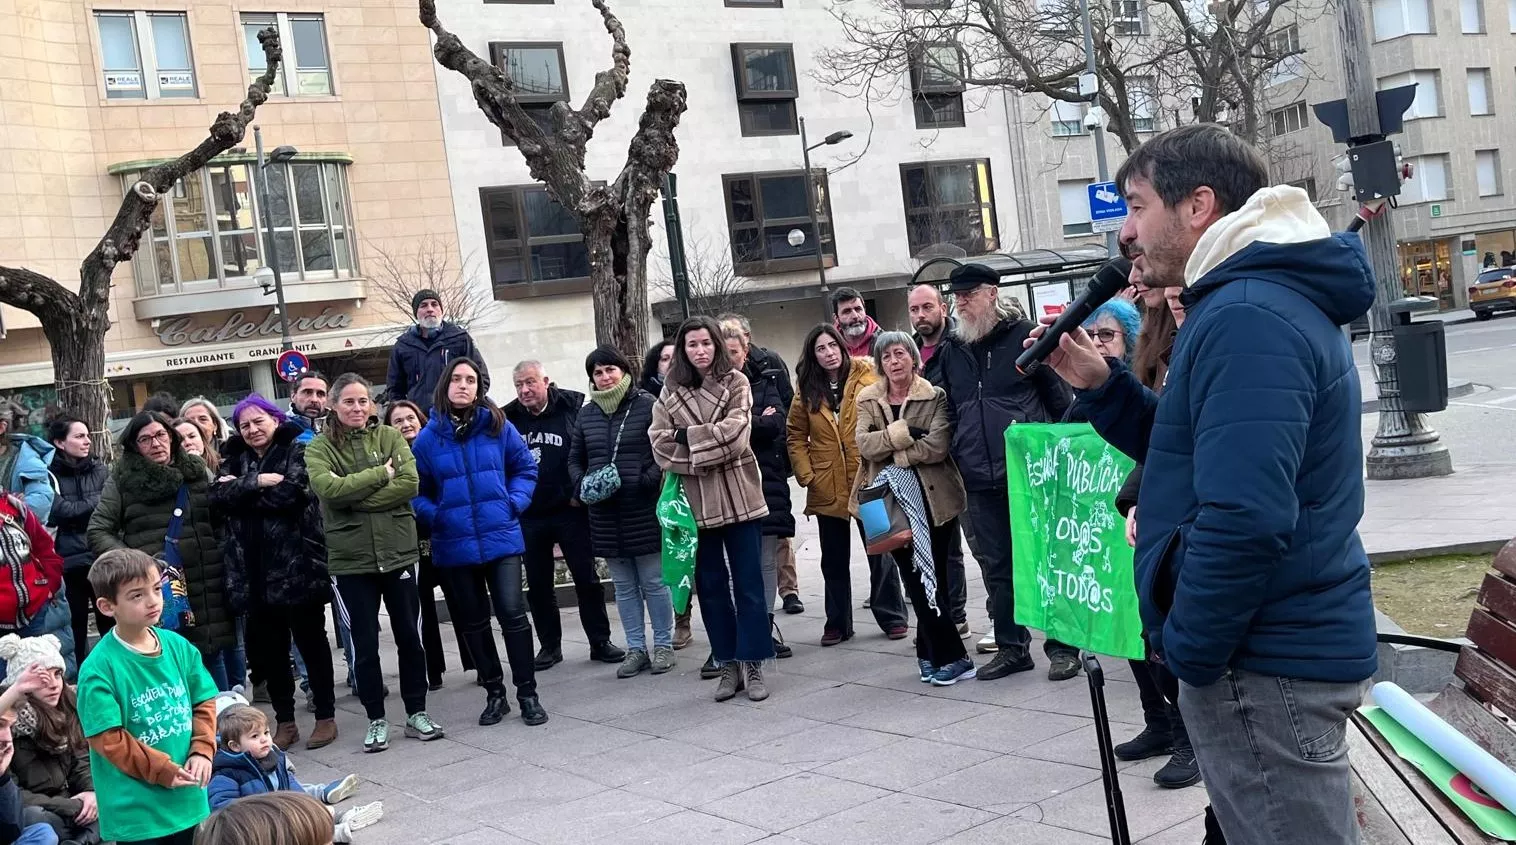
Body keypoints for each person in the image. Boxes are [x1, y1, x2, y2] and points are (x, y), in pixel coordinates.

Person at [1031, 124, 1377, 844]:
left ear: (1199, 205)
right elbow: (1202, 454)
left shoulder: (1247, 313)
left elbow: (1245, 516)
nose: (1126, 230)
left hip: (1262, 665)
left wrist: (1188, 650)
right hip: (1269, 656)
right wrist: (1110, 391)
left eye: (1135, 204)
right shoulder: (1248, 301)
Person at [936, 262, 1078, 682]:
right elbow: (947, 408)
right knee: (997, 566)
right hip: (978, 474)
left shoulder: (1028, 338)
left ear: (993, 293)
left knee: (1045, 560)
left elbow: (1060, 402)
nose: (961, 302)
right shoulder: (952, 349)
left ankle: (1063, 647)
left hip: (1029, 472)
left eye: (970, 293)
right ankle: (1012, 647)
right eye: (957, 295)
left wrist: (1062, 458)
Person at [304, 374, 442, 753]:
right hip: (351, 561)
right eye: (348, 402)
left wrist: (356, 496)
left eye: (363, 401)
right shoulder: (319, 448)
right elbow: (328, 491)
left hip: (398, 552)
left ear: (373, 405)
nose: (357, 408)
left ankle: (416, 712)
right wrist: (382, 473)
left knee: (411, 639)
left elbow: (410, 483)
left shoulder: (391, 437)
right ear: (333, 405)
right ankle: (376, 719)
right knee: (363, 645)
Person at [1102, 265, 1199, 791]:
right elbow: (1158, 434)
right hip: (1155, 509)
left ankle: (1189, 738)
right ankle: (1163, 723)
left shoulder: (1207, 336)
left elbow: (1180, 434)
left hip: (1186, 516)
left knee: (1174, 633)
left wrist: (1142, 494)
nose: (1135, 273)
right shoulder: (1157, 342)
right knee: (1145, 627)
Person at [411, 358, 548, 728]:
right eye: (456, 379)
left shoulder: (498, 426)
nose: (463, 385)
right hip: (454, 543)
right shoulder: (427, 439)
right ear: (445, 385)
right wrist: (435, 514)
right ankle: (494, 693)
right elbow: (416, 491)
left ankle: (527, 693)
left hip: (500, 537)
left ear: (479, 387)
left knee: (513, 615)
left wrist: (514, 502)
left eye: (470, 380)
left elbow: (525, 469)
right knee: (473, 623)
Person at [651, 317, 774, 702]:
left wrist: (687, 438)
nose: (700, 350)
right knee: (711, 586)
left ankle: (753, 661)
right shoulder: (669, 391)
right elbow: (660, 447)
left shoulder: (737, 381)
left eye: (706, 342)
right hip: (696, 503)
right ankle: (727, 661)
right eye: (692, 344)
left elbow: (738, 435)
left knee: (750, 584)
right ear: (683, 350)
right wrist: (704, 451)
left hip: (740, 496)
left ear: (717, 344)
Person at [211, 395, 336, 751]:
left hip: (297, 568)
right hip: (251, 574)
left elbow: (292, 495)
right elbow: (217, 498)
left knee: (311, 645)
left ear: (275, 420)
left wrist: (242, 491)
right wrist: (259, 481)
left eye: (258, 421)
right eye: (244, 424)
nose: (251, 430)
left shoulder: (297, 450)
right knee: (272, 653)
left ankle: (325, 716)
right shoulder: (231, 456)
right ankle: (286, 720)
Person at [853, 333, 974, 686]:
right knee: (914, 581)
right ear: (879, 363)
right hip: (886, 502)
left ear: (913, 358)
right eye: (886, 355)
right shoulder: (867, 399)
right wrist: (906, 432)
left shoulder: (933, 395)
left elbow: (937, 445)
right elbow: (864, 444)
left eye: (900, 353)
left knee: (936, 579)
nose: (894, 360)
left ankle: (941, 655)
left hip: (934, 498)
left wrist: (895, 452)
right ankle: (946, 655)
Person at [77, 548, 218, 845]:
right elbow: (108, 739)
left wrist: (202, 749)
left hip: (189, 798)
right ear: (106, 606)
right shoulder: (98, 669)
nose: (153, 601)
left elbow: (204, 700)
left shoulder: (178, 646)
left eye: (156, 588)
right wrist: (161, 769)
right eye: (136, 595)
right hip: (138, 814)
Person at [88, 413, 237, 691]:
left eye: (160, 435)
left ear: (171, 437)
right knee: (169, 662)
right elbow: (98, 530)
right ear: (134, 446)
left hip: (206, 584)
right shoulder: (122, 479)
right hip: (159, 588)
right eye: (145, 439)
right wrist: (137, 565)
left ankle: (221, 726)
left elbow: (218, 517)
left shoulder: (196, 469)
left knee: (212, 658)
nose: (155, 443)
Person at [787, 324, 907, 646]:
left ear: (842, 346)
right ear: (813, 355)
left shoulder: (867, 376)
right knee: (833, 559)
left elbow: (888, 417)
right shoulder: (807, 389)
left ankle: (892, 616)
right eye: (820, 349)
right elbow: (795, 434)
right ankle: (837, 622)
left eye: (832, 346)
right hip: (827, 483)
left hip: (868, 479)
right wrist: (806, 474)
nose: (828, 353)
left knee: (881, 551)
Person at [503, 361, 622, 669]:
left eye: (530, 382)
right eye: (519, 385)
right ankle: (550, 647)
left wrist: (579, 493)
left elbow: (587, 451)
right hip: (530, 514)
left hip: (570, 509)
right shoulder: (508, 419)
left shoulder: (574, 406)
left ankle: (600, 641)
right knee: (539, 586)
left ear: (546, 381)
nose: (525, 390)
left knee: (587, 580)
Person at [568, 347, 675, 679]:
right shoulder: (586, 414)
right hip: (604, 514)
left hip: (642, 508)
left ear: (624, 370)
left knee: (655, 582)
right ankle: (635, 648)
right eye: (597, 372)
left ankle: (663, 645)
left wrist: (648, 480)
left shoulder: (647, 405)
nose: (604, 377)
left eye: (610, 369)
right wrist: (583, 485)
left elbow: (664, 449)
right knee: (624, 586)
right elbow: (574, 459)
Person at [382, 401, 472, 689]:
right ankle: (432, 671)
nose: (406, 424)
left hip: (443, 534)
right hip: (409, 543)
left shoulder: (437, 448)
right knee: (420, 611)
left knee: (463, 603)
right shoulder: (386, 458)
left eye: (411, 417)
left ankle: (478, 661)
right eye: (398, 421)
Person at [717, 314, 801, 616]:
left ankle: (765, 623)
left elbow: (777, 422)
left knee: (768, 555)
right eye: (722, 354)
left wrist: (733, 425)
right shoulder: (706, 391)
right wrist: (751, 422)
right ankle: (741, 621)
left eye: (734, 353)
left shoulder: (766, 379)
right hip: (724, 484)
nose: (729, 360)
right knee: (733, 562)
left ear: (746, 349)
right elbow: (711, 429)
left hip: (765, 477)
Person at [208, 705, 382, 843]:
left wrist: (309, 807)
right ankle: (330, 833)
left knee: (313, 812)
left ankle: (339, 817)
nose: (264, 739)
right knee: (293, 829)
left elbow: (293, 788)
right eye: (254, 736)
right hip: (259, 827)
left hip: (284, 814)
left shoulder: (275, 758)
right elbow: (223, 809)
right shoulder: (227, 773)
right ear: (235, 746)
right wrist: (262, 816)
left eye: (266, 733)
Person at [908, 284, 969, 636]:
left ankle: (971, 615)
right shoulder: (911, 351)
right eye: (914, 310)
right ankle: (947, 614)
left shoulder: (958, 344)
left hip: (961, 454)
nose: (920, 316)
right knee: (937, 544)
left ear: (943, 308)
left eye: (926, 307)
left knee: (968, 546)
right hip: (926, 462)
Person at [0, 635, 98, 845]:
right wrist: (71, 807)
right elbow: (14, 795)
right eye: (42, 679)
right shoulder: (7, 724)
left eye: (57, 675)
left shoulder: (68, 708)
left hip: (70, 806)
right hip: (40, 811)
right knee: (36, 819)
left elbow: (81, 762)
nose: (53, 684)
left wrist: (90, 793)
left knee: (109, 804)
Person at [46, 418, 108, 668]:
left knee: (110, 624)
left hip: (101, 559)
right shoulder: (47, 474)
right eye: (79, 436)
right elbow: (59, 512)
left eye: (87, 435)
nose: (87, 441)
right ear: (60, 442)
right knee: (76, 628)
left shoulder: (100, 469)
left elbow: (110, 508)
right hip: (68, 564)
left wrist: (82, 508)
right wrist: (96, 502)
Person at [0, 493, 73, 682]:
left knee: (44, 677)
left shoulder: (13, 507)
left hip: (35, 613)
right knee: (7, 686)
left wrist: (49, 584)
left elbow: (45, 548)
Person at [385, 290, 488, 413]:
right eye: (423, 305)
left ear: (441, 310)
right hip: (421, 420)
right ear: (416, 313)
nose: (430, 309)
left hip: (456, 416)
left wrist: (469, 406)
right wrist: (406, 413)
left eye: (434, 304)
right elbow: (395, 389)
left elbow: (482, 377)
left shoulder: (460, 339)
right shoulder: (402, 346)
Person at [0, 664, 66, 845]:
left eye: (58, 674)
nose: (7, 737)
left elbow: (11, 829)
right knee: (36, 818)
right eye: (0, 725)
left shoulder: (67, 712)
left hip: (63, 807)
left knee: (43, 834)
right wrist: (16, 689)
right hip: (44, 809)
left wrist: (1, 777)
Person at [0, 401, 55, 524]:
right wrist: (13, 501)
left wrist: (8, 506)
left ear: (1, 428)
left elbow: (40, 504)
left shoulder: (26, 459)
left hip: (10, 537)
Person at [830, 288, 880, 359]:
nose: (855, 316)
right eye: (847, 311)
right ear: (836, 318)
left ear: (865, 310)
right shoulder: (829, 346)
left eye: (858, 309)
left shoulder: (884, 341)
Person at [286, 372, 328, 445]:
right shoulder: (280, 427)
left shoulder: (340, 427)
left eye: (320, 394)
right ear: (293, 396)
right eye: (307, 392)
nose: (314, 399)